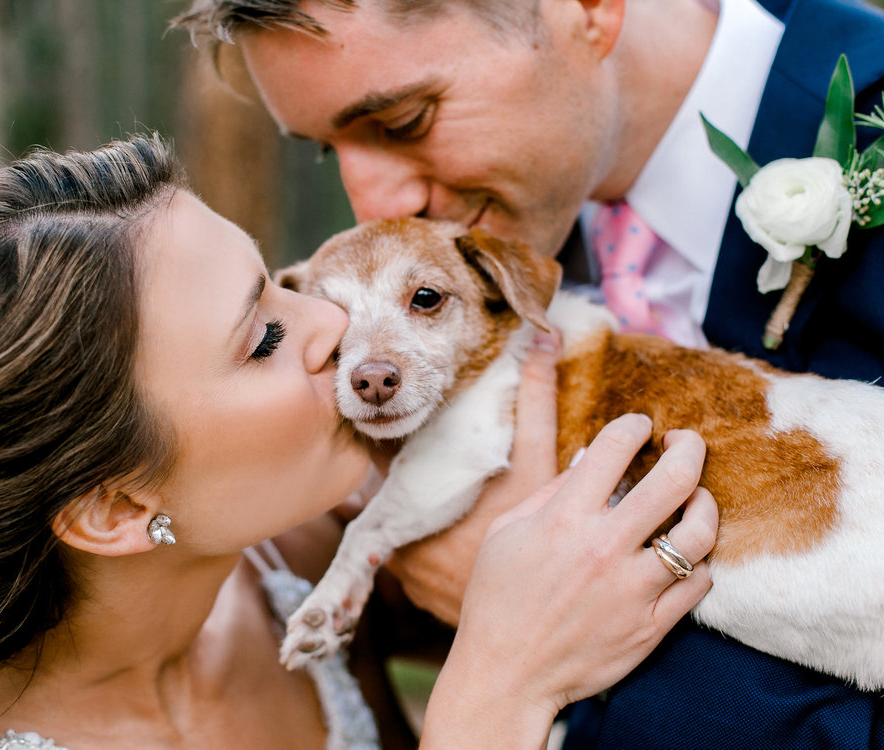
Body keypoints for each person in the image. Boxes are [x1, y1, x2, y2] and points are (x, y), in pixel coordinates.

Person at [172, 0, 884, 746]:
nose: (374, 204)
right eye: (327, 149)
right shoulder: (503, 251)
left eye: (406, 119)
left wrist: (544, 645)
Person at [0, 134, 718, 750]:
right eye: (264, 339)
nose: (330, 320)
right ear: (116, 505)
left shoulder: (312, 563)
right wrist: (497, 689)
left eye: (281, 284)